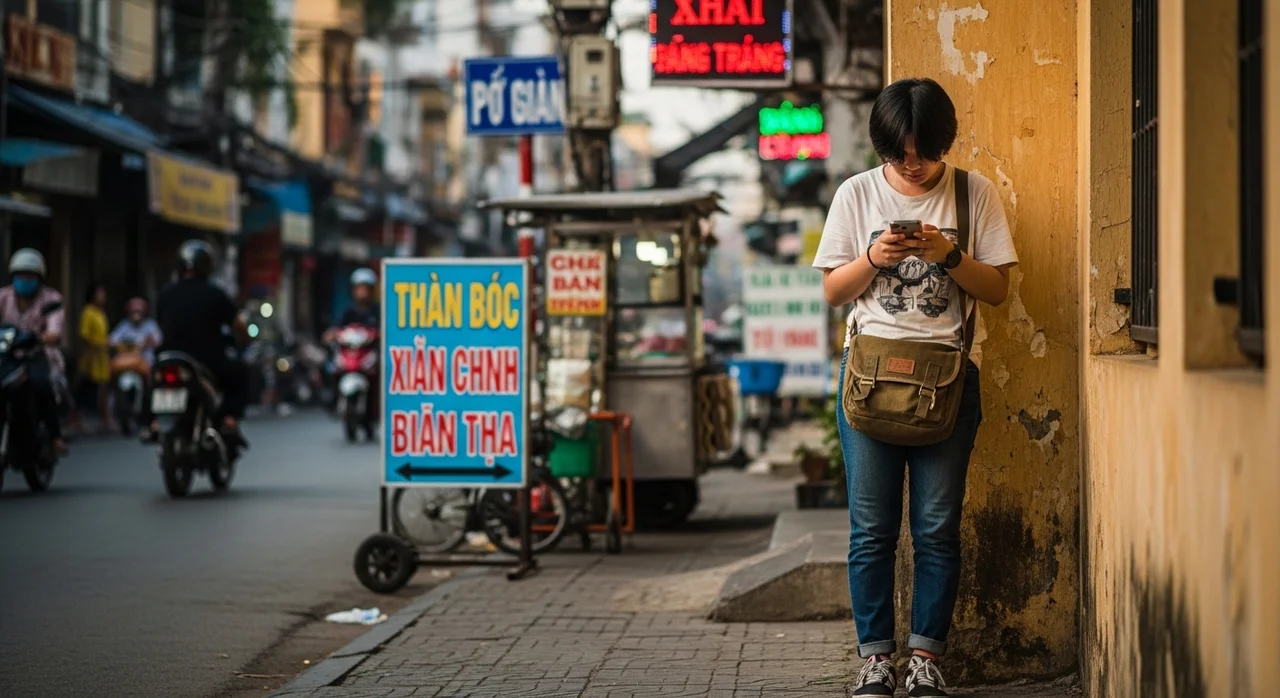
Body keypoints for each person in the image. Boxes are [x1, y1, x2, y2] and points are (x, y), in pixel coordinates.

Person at [811, 78, 1018, 698]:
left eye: (923, 151)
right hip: (869, 381)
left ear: (943, 141)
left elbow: (999, 289)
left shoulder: (973, 193)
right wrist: (875, 256)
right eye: (898, 153)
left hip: (950, 381)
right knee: (871, 530)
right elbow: (831, 291)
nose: (911, 164)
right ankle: (875, 660)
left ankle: (926, 659)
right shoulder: (856, 193)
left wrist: (946, 255)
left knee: (936, 528)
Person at [144, 240, 250, 447]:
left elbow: (161, 324)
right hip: (207, 361)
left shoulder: (165, 294)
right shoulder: (215, 294)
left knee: (153, 382)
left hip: (169, 357)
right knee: (241, 373)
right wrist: (243, 339)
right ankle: (229, 419)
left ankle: (153, 423)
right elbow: (239, 326)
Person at [0, 249, 69, 456]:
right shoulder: (3, 297)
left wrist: (46, 336)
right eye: (21, 276)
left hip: (37, 355)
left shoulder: (51, 299)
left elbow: (55, 328)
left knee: (41, 385)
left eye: (29, 277)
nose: (24, 281)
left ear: (39, 278)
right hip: (6, 356)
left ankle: (55, 437)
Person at [74, 282, 113, 433]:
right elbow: (84, 335)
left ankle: (105, 419)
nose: (103, 297)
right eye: (100, 293)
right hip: (91, 357)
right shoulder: (88, 312)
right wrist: (96, 345)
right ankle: (76, 418)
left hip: (102, 357)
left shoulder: (100, 313)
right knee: (84, 389)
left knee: (103, 389)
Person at [110, 298, 163, 366]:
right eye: (134, 311)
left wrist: (149, 342)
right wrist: (123, 344)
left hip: (146, 362)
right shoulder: (124, 324)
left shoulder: (150, 324)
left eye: (139, 311)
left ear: (144, 312)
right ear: (129, 312)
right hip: (127, 361)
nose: (136, 315)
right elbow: (112, 340)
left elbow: (158, 340)